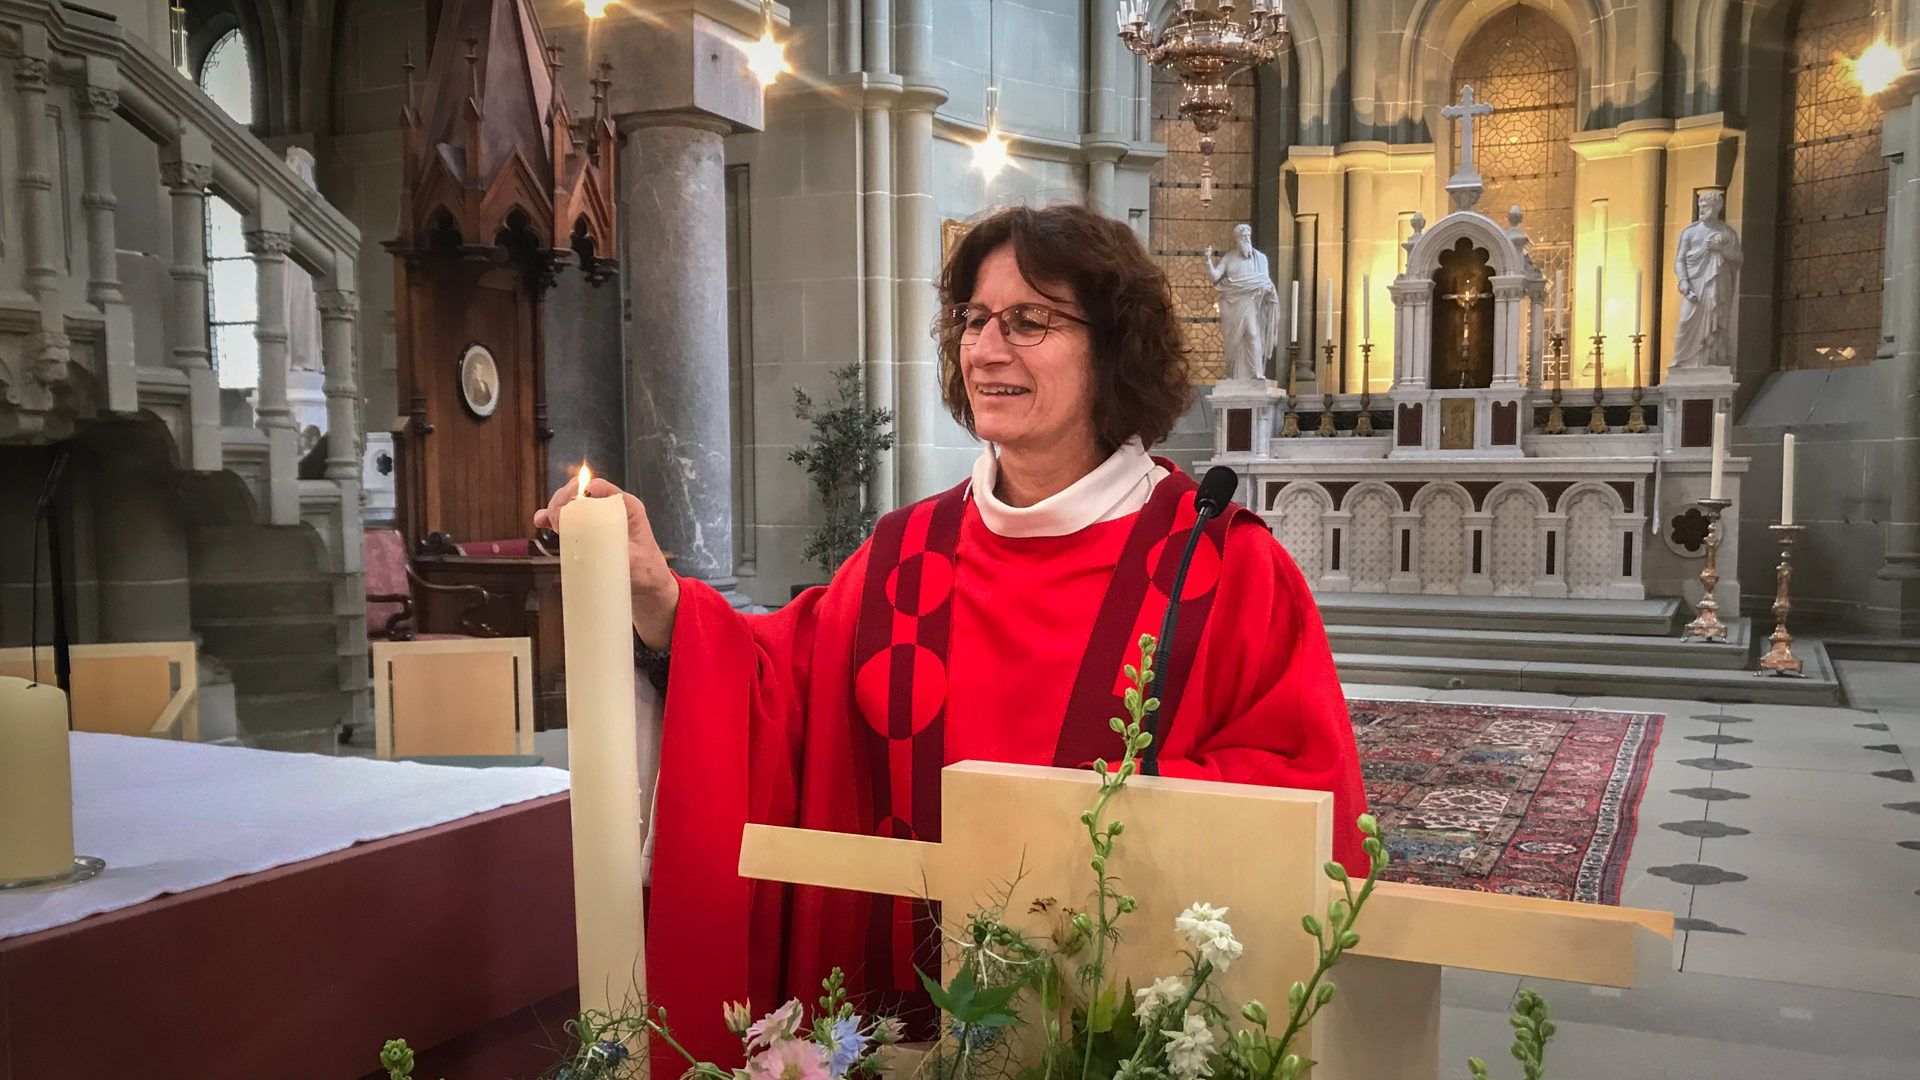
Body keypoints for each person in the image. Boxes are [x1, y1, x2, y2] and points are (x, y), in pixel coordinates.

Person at [535, 204, 1366, 1067]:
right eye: (973, 319)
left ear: (1114, 344)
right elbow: (774, 689)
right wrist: (661, 598)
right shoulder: (905, 559)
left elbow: (1301, 796)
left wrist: (1090, 834)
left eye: (1030, 321)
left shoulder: (1220, 568)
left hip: (1115, 1038)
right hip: (898, 1029)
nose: (986, 348)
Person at [1672, 189, 1742, 370]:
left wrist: (1720, 249)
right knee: (1684, 322)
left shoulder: (1728, 233)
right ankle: (1684, 362)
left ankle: (1711, 360)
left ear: (1716, 208)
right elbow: (1679, 260)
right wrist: (1683, 281)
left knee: (1716, 323)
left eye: (1705, 207)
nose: (1701, 210)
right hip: (1694, 285)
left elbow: (1738, 259)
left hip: (1718, 285)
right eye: (1700, 207)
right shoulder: (1689, 232)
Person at [1206, 224, 1281, 381]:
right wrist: (1207, 261)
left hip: (1252, 304)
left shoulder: (1260, 259)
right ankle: (1233, 373)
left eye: (1248, 236)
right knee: (1234, 341)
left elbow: (1264, 281)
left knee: (1253, 334)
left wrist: (1266, 290)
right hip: (1231, 305)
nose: (1246, 239)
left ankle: (1256, 373)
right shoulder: (1229, 258)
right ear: (1237, 239)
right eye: (1243, 237)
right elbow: (1215, 276)